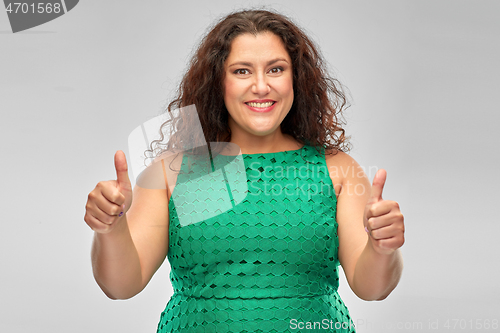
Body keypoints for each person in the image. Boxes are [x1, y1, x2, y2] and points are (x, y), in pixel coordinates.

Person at [84, 9, 405, 333]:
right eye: (241, 71)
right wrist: (110, 228)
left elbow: (372, 288)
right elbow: (121, 285)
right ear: (218, 82)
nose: (261, 86)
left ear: (296, 78)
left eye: (276, 69)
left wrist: (382, 249)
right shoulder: (175, 172)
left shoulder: (336, 170)